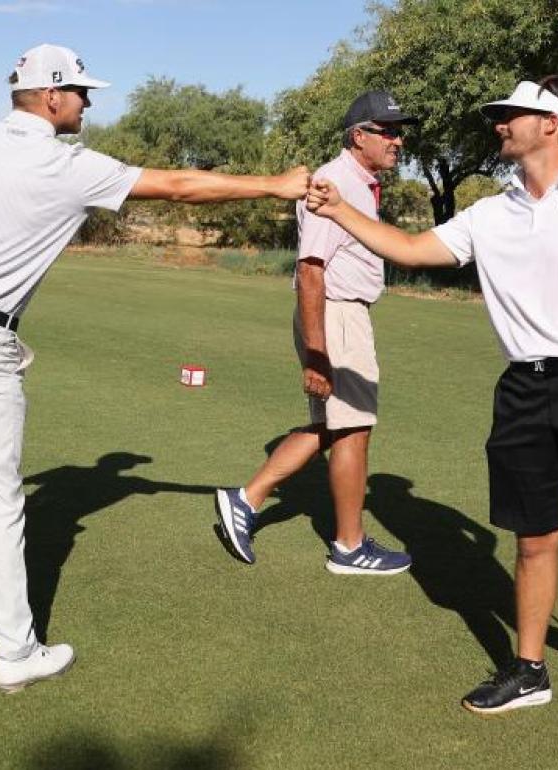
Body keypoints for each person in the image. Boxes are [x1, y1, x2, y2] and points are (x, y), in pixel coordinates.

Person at [0, 43, 309, 694]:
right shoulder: (69, 166)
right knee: (2, 502)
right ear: (51, 95)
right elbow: (179, 187)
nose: (88, 102)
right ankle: (15, 651)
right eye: (82, 92)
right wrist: (274, 186)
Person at [303, 76, 558, 751]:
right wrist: (338, 210)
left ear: (552, 125)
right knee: (533, 541)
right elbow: (408, 251)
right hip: (523, 391)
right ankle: (529, 670)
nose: (499, 126)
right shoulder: (490, 214)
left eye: (511, 116)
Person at [214, 91, 415, 576]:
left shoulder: (358, 181)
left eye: (399, 131)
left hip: (342, 314)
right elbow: (310, 270)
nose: (398, 140)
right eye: (387, 131)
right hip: (335, 314)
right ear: (358, 135)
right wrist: (318, 353)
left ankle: (245, 500)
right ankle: (349, 547)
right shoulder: (336, 181)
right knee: (352, 427)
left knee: (333, 426)